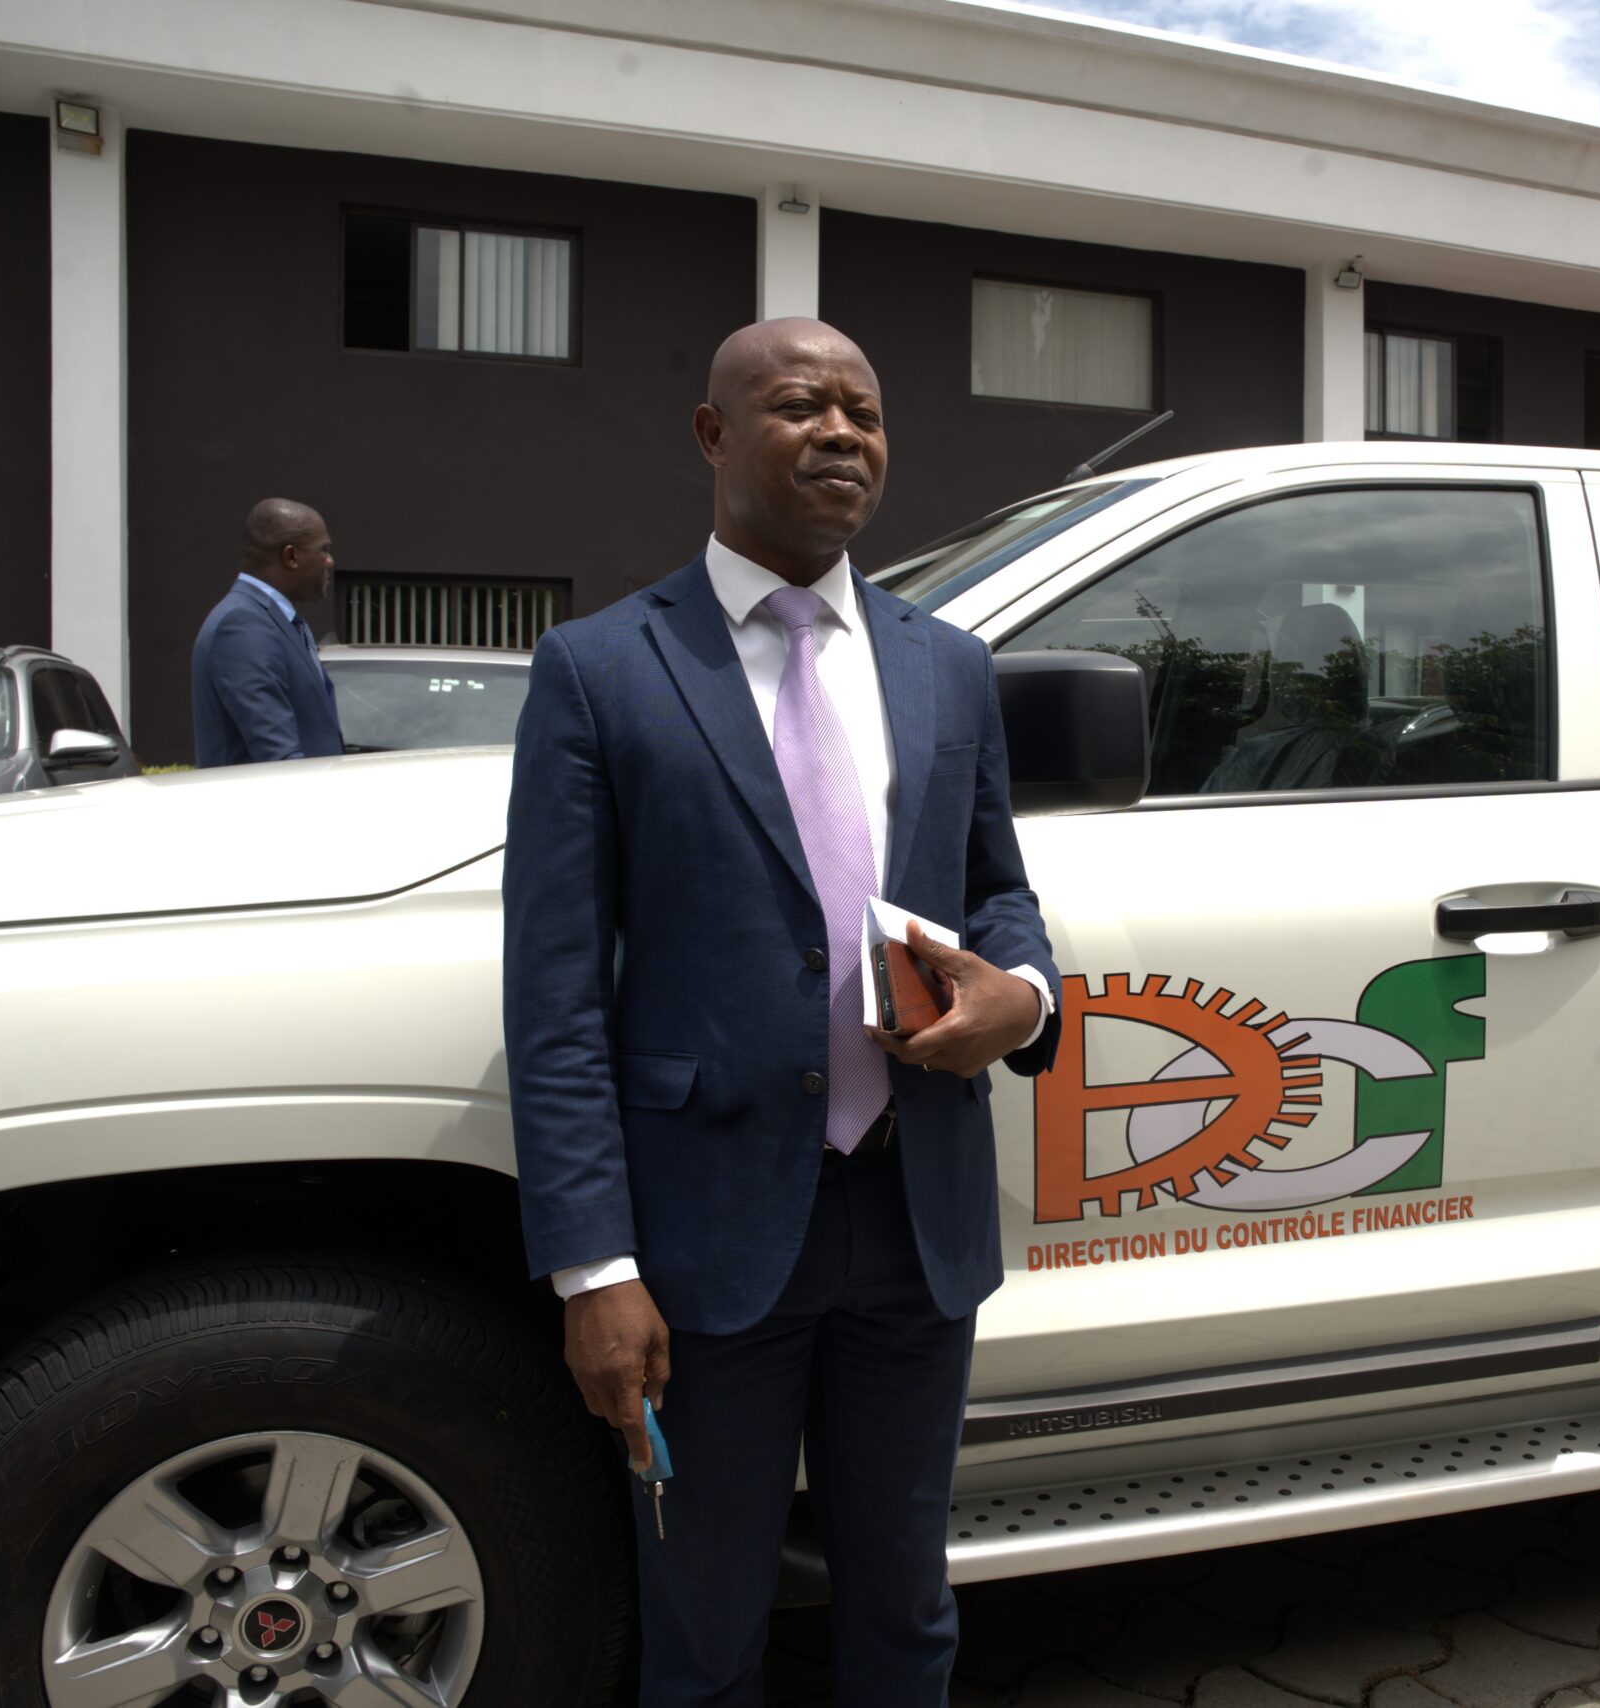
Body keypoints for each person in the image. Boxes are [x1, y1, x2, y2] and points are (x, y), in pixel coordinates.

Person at [502, 318, 1061, 1706]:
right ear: (713, 434)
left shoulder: (948, 664)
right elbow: (555, 994)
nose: (842, 434)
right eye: (802, 405)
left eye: (864, 412)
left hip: (916, 1215)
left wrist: (1023, 996)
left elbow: (998, 888)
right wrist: (593, 1269)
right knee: (702, 1632)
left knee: (907, 1612)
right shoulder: (601, 667)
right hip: (704, 1238)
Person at [189, 497, 344, 766]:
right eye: (324, 550)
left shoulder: (269, 619)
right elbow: (277, 752)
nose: (329, 561)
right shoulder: (241, 626)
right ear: (291, 556)